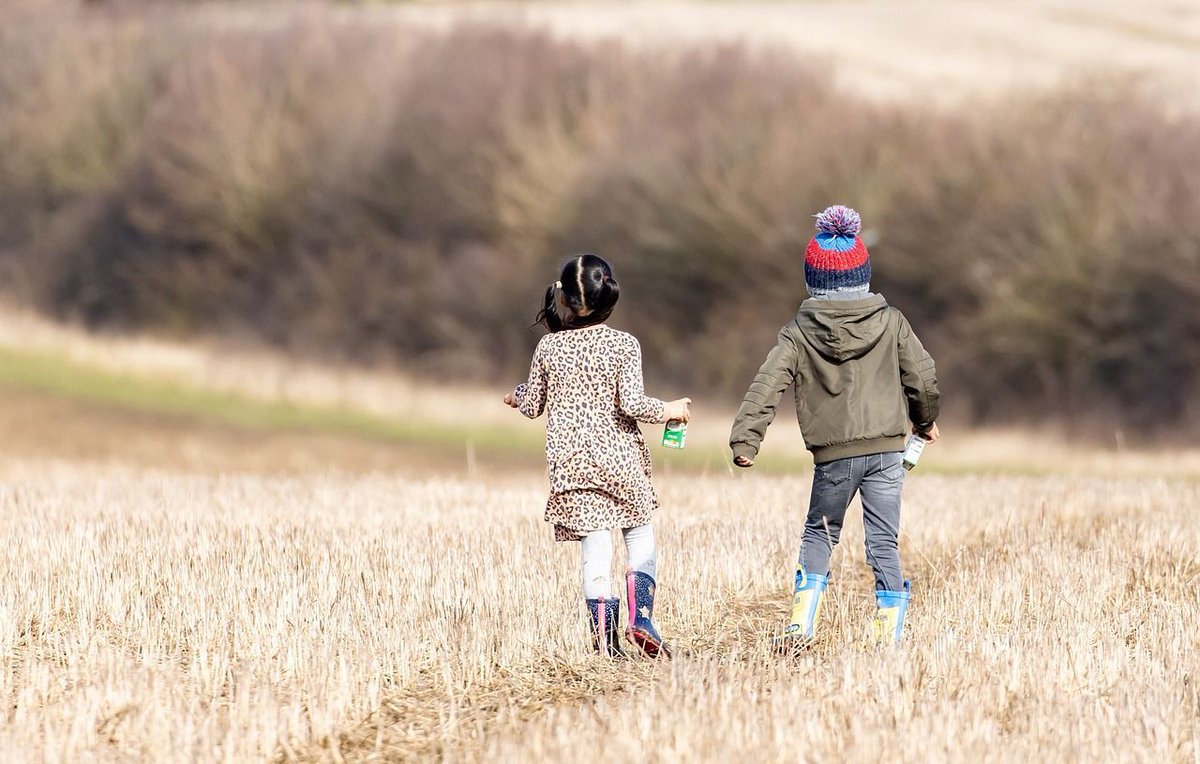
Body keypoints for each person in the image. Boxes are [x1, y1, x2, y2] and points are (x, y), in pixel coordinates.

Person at [728, 205, 940, 648]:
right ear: (864, 274)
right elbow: (921, 376)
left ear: (812, 280)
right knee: (884, 539)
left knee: (820, 533)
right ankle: (888, 631)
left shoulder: (796, 333)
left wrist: (747, 439)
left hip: (834, 457)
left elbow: (766, 384)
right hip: (886, 452)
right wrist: (926, 421)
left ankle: (801, 623)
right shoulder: (892, 321)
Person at [505, 254, 691, 658]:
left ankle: (605, 644)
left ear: (565, 300)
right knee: (639, 533)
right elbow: (634, 404)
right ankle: (641, 616)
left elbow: (533, 403)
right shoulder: (624, 345)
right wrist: (670, 411)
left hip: (572, 466)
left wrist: (516, 396)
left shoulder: (548, 347)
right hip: (621, 461)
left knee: (596, 554)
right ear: (609, 297)